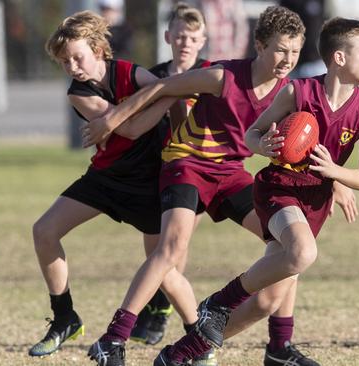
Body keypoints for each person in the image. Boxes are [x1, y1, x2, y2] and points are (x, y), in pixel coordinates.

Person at [82, 6, 325, 366]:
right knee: (170, 249)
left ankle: (279, 346)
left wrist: (337, 181)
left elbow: (312, 141)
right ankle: (113, 339)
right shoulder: (223, 76)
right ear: (258, 45)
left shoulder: (288, 91)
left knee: (288, 246)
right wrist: (114, 119)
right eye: (279, 49)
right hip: (188, 164)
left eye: (294, 51)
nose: (287, 59)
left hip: (230, 173)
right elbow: (164, 87)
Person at [155, 17, 359, 365]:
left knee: (266, 301)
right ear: (339, 58)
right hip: (279, 190)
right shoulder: (299, 92)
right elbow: (252, 135)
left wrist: (335, 175)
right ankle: (217, 303)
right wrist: (267, 147)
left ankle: (183, 354)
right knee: (303, 253)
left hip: (314, 201)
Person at [29, 10, 192, 359]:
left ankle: (198, 332)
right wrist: (162, 96)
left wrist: (179, 139)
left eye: (78, 57)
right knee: (44, 231)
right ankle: (64, 317)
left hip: (150, 180)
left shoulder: (130, 72)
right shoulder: (79, 93)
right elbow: (131, 129)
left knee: (163, 269)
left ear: (98, 49)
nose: (73, 66)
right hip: (107, 177)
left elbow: (175, 100)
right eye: (64, 61)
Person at [128, 5, 215, 366]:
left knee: (173, 247)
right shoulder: (154, 76)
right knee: (157, 253)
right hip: (158, 172)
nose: (185, 43)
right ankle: (166, 304)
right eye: (179, 36)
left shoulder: (211, 74)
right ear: (168, 37)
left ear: (203, 41)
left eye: (193, 38)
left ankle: (172, 315)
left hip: (197, 172)